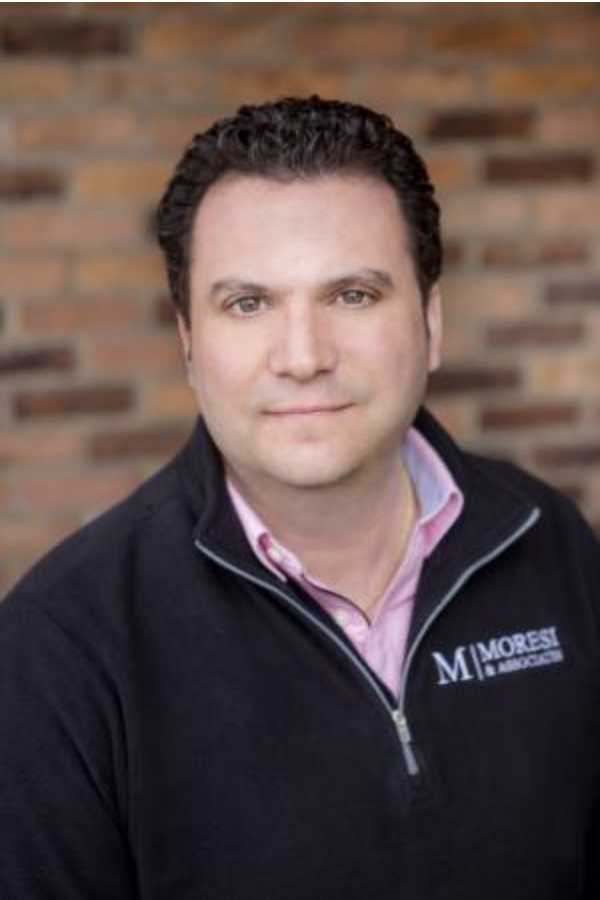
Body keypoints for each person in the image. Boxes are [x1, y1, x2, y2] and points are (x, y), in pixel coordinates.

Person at [1, 96, 599, 900]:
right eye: (248, 304)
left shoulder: (549, 541)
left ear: (431, 320)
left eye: (352, 295)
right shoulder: (60, 650)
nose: (304, 356)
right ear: (188, 342)